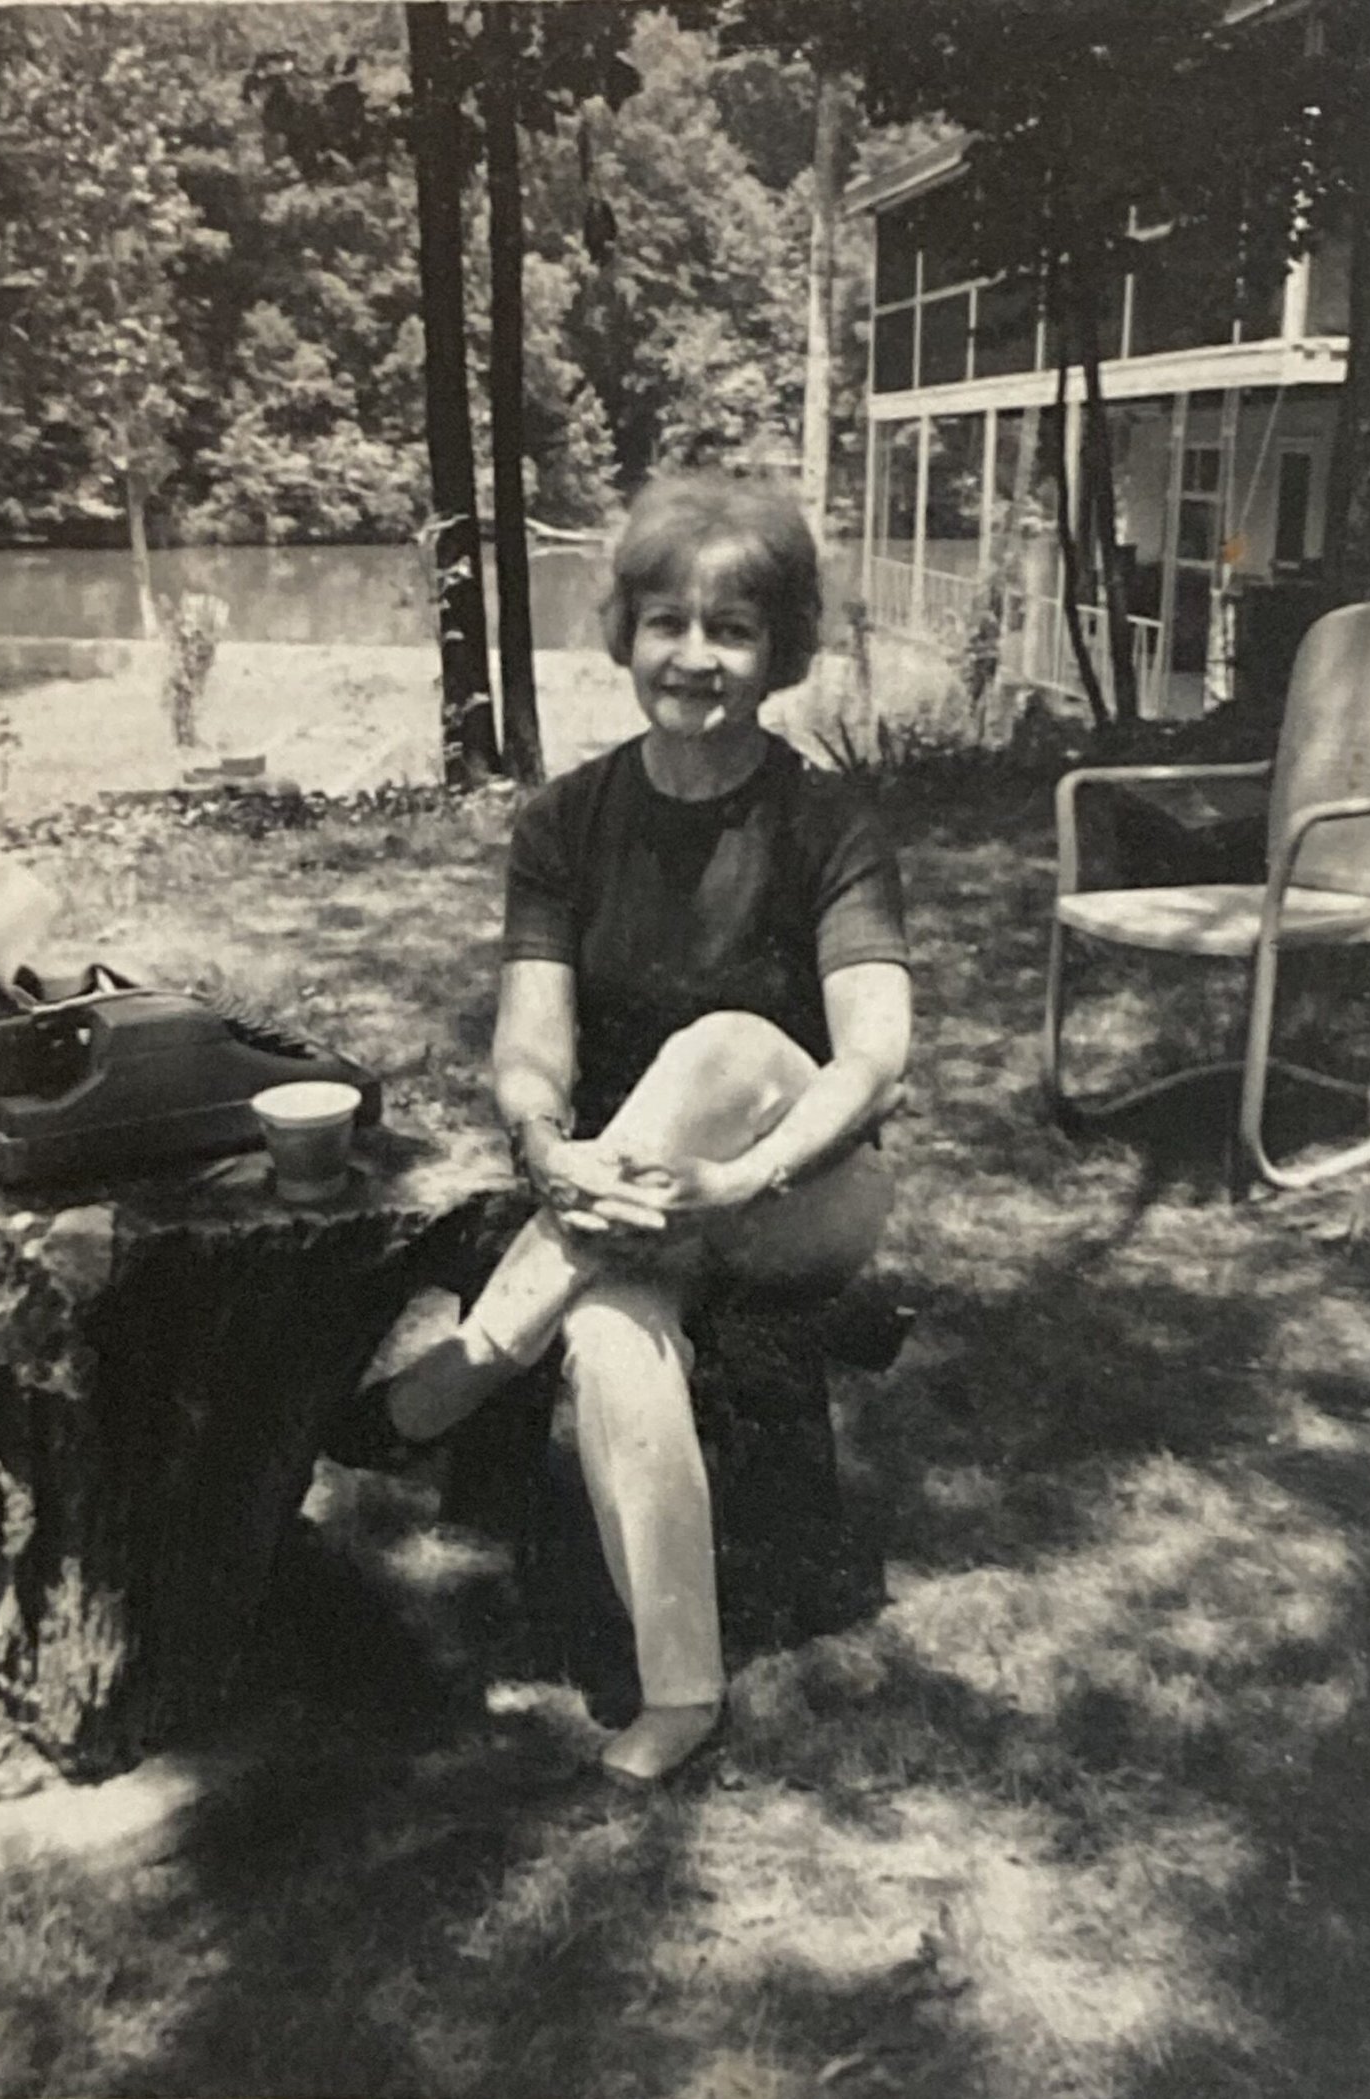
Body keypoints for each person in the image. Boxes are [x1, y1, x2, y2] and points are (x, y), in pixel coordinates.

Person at [343, 474, 912, 1784]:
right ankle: (681, 1690)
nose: (695, 658)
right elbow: (532, 1043)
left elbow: (876, 1055)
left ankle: (476, 1356)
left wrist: (743, 1176)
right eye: (668, 622)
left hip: (802, 1197)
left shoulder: (826, 824)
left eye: (732, 630)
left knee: (718, 1049)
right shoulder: (567, 822)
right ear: (626, 633)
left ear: (779, 652)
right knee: (605, 1331)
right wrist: (548, 1146)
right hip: (624, 1196)